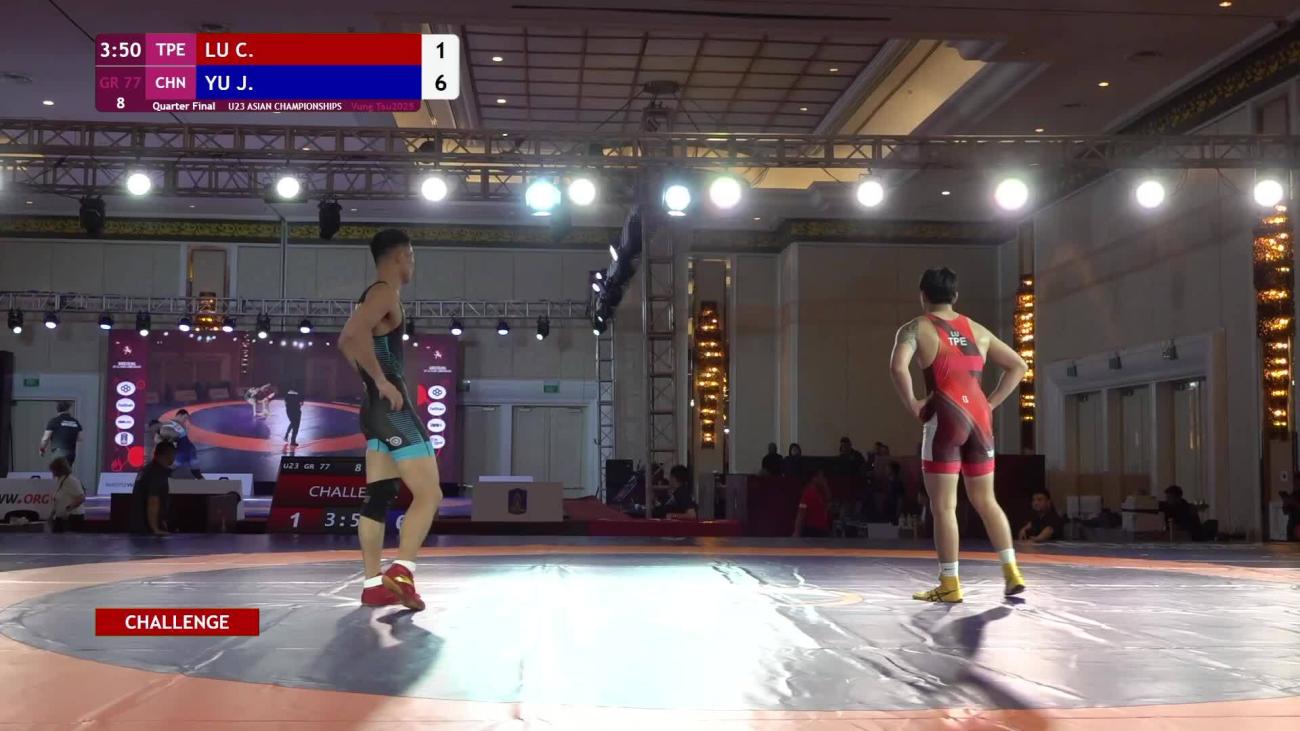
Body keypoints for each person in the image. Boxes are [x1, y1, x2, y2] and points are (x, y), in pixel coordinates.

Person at [889, 267, 1028, 602]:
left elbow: (897, 366)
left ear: (923, 295)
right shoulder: (978, 330)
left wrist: (913, 403)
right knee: (986, 501)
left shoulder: (916, 327)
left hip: (946, 417)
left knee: (944, 506)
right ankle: (1012, 572)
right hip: (980, 419)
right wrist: (990, 403)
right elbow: (1019, 366)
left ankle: (950, 584)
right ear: (955, 296)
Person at [339, 228, 443, 611]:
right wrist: (382, 381)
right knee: (430, 494)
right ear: (402, 256)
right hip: (393, 412)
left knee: (380, 495)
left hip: (373, 411)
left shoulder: (373, 294)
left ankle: (372, 585)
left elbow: (346, 341)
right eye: (412, 257)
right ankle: (402, 571)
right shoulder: (384, 293)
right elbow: (351, 335)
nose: (413, 264)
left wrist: (371, 381)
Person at [131, 440, 176, 536]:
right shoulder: (156, 473)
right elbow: (153, 501)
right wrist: (155, 529)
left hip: (140, 527)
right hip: (146, 531)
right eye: (173, 454)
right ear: (168, 454)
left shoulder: (148, 470)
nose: (174, 457)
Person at [39, 401, 82, 467]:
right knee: (67, 472)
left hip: (58, 453)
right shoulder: (75, 422)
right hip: (71, 453)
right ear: (68, 409)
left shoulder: (54, 421)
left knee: (58, 472)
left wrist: (42, 449)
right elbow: (79, 438)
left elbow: (45, 438)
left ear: (57, 410)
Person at [161, 409, 203, 478]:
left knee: (196, 472)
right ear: (179, 415)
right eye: (184, 418)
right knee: (169, 470)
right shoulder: (169, 423)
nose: (185, 420)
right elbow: (164, 432)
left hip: (190, 450)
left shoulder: (182, 426)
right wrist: (175, 435)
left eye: (186, 419)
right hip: (182, 452)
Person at [48, 457, 85, 533]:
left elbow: (81, 498)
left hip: (72, 517)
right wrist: (51, 515)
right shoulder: (59, 480)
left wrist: (68, 509)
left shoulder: (71, 481)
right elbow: (58, 500)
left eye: (53, 470)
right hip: (61, 517)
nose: (52, 472)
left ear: (59, 470)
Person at [793, 470, 832, 537]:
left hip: (822, 530)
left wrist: (826, 486)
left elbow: (828, 501)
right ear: (814, 479)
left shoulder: (819, 493)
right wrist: (797, 532)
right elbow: (801, 514)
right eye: (821, 477)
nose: (824, 479)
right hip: (812, 531)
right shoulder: (807, 494)